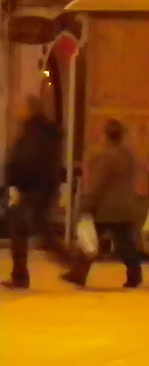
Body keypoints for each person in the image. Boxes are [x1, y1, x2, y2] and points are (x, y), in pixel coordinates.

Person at [61, 119, 142, 289]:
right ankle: (135, 275)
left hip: (106, 208)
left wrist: (87, 204)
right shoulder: (129, 155)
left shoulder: (106, 156)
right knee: (126, 243)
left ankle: (78, 273)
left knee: (88, 239)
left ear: (106, 135)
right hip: (126, 206)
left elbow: (98, 184)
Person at [4, 93, 64, 290]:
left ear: (29, 110)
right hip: (41, 189)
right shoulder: (45, 132)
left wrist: (16, 182)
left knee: (22, 231)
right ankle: (75, 261)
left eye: (22, 108)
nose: (18, 111)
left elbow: (28, 161)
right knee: (41, 231)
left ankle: (20, 276)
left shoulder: (34, 133)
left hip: (32, 189)